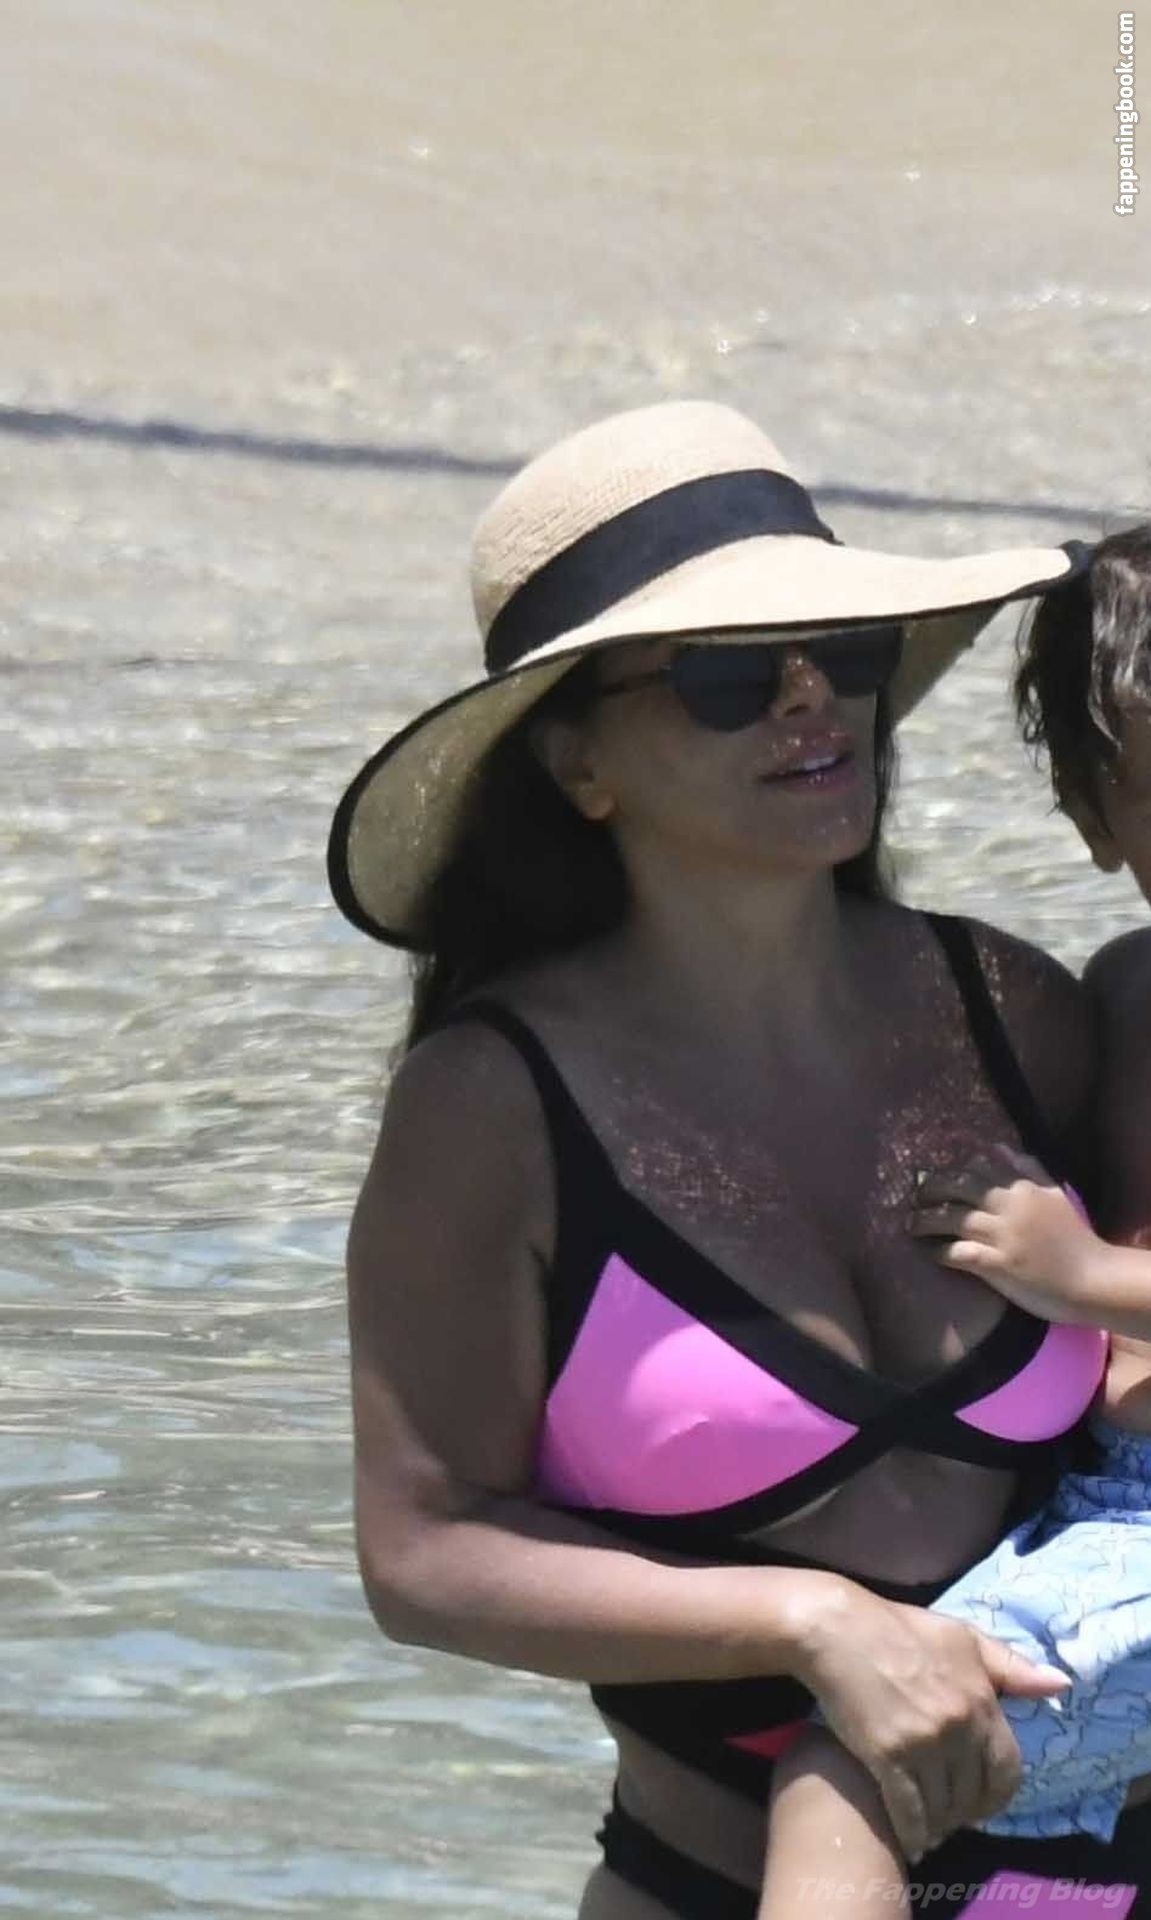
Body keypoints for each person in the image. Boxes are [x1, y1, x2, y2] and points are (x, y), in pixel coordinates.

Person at [327, 400, 1149, 1918]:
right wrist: (810, 1621)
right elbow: (422, 1554)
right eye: (725, 675)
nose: (808, 698)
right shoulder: (492, 1110)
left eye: (839, 652)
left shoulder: (1017, 1016)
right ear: (577, 761)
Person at [757, 525, 1151, 1920]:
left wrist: (1083, 1274)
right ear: (1097, 823)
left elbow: (1085, 1263)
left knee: (852, 1767)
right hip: (1098, 1512)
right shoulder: (1122, 996)